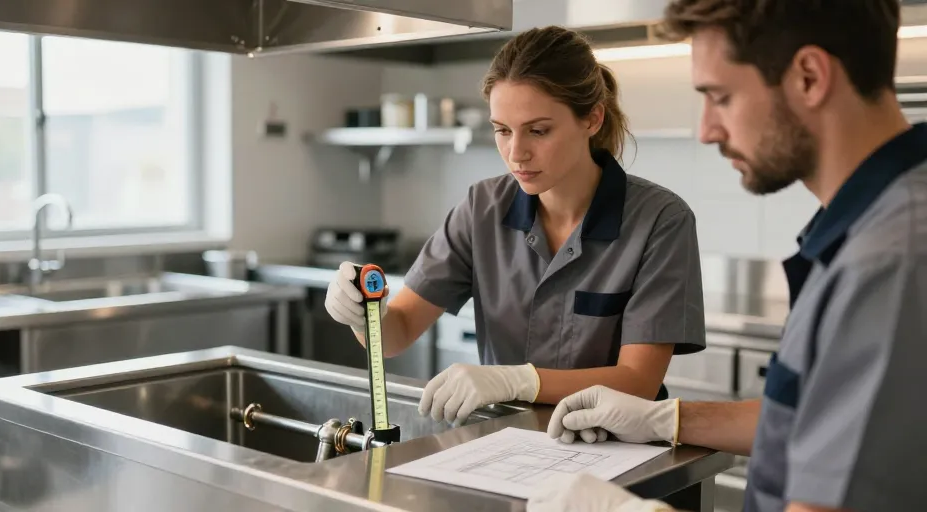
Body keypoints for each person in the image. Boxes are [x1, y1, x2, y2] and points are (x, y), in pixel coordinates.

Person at [529, 1, 927, 511]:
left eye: (720, 97)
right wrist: (668, 419)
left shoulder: (892, 258)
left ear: (809, 76)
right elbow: (809, 415)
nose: (707, 130)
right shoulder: (870, 220)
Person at [324, 25, 706, 428]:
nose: (516, 153)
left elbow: (639, 382)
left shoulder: (661, 220)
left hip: (615, 449)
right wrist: (364, 313)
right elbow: (396, 334)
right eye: (502, 130)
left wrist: (517, 380)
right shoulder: (481, 209)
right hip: (505, 444)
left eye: (538, 131)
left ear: (592, 118)